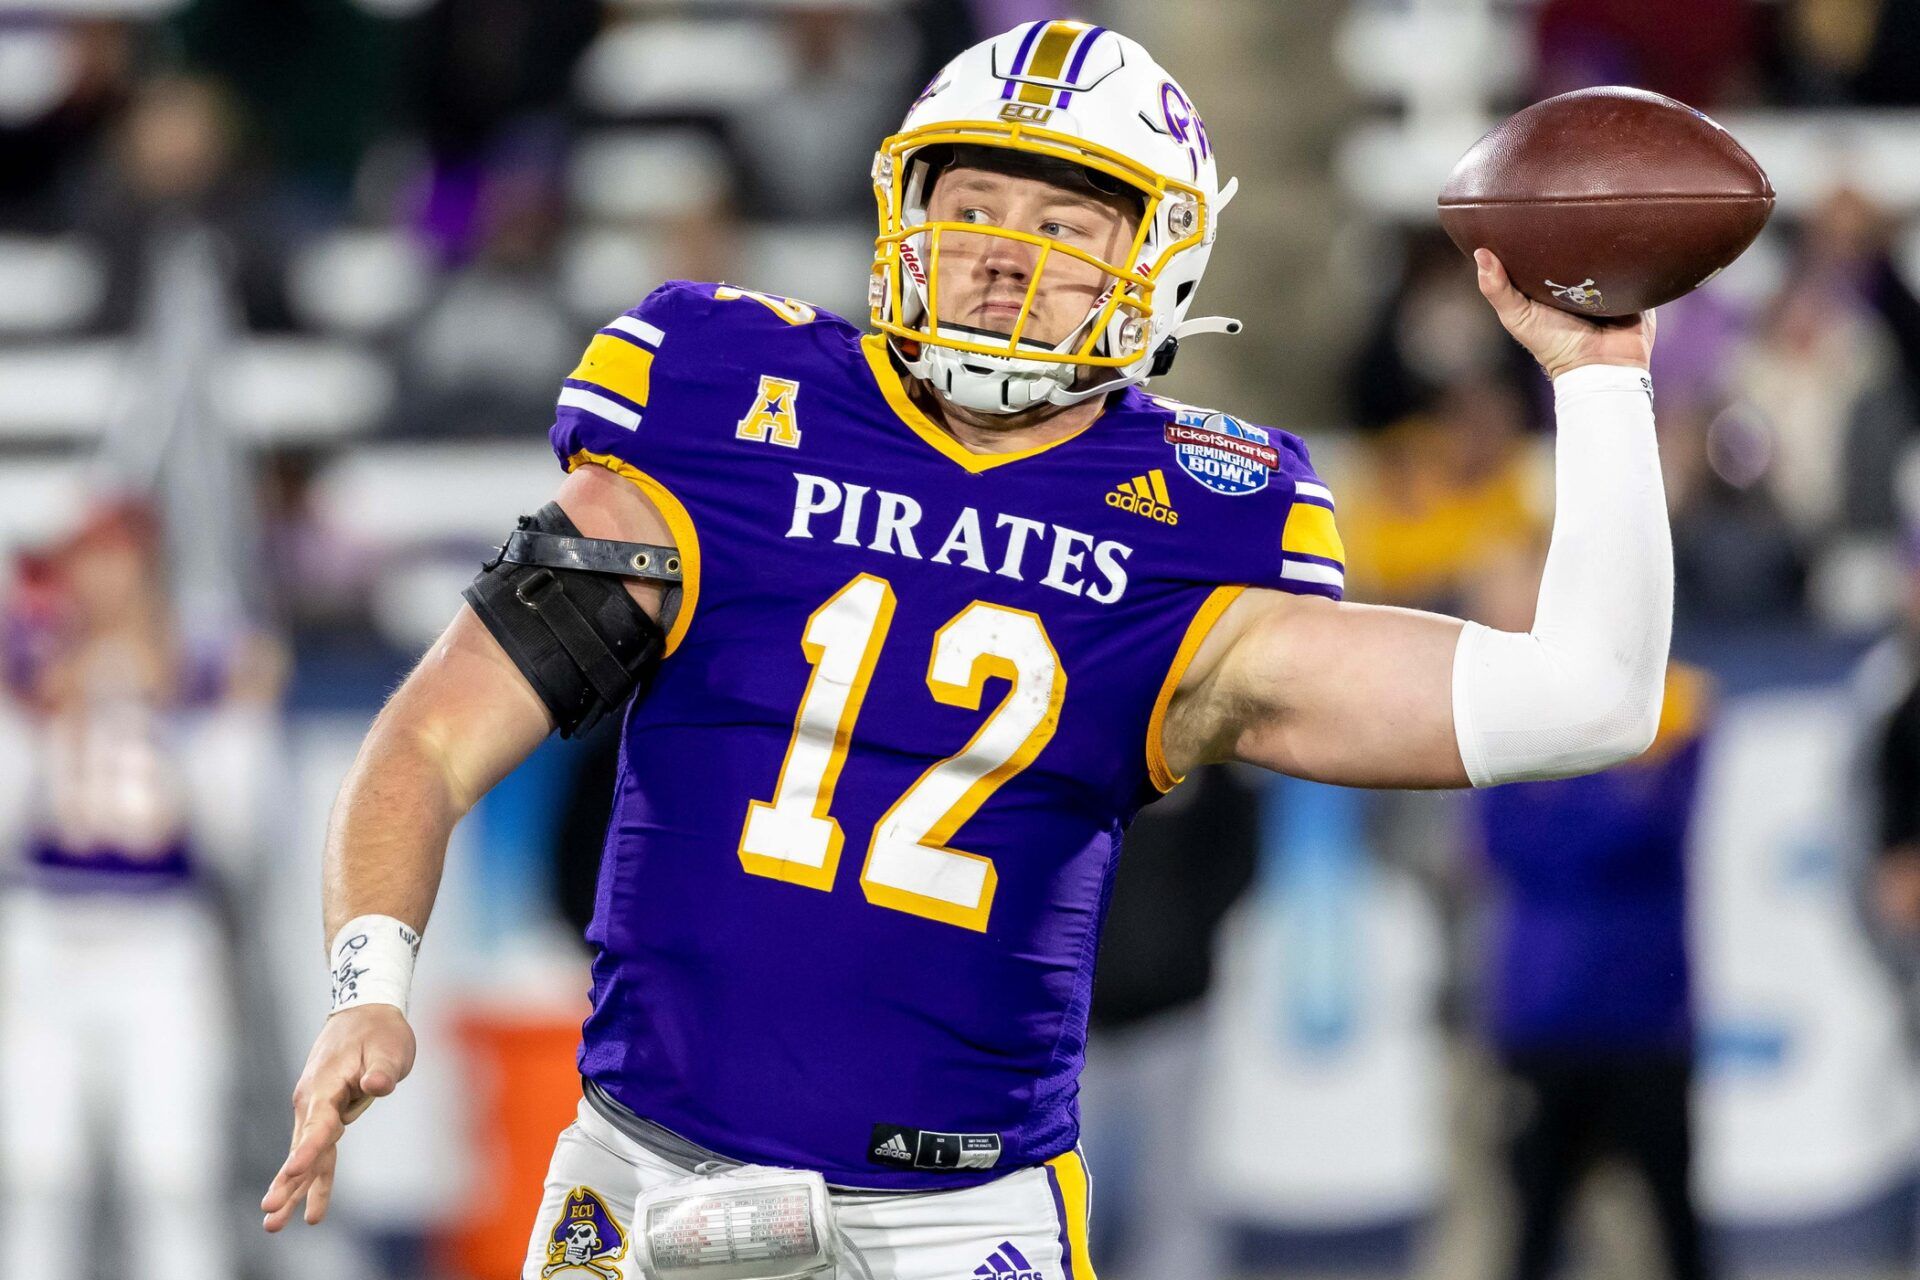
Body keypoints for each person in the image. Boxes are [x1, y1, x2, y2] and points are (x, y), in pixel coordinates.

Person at [262, 22, 1674, 1278]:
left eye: (1067, 219)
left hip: (961, 1223)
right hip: (648, 1184)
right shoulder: (725, 408)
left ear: (1162, 260)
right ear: (906, 215)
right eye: (975, 204)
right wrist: (367, 989)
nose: (1008, 250)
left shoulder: (1198, 523)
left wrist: (1600, 384)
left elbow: (1592, 701)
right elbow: (430, 736)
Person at [0, 502, 277, 1280]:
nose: (103, 580)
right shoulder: (28, 661)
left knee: (173, 1174)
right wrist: (36, 715)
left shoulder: (201, 662)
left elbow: (239, 832)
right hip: (48, 933)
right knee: (38, 1174)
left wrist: (227, 715)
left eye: (117, 560)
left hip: (161, 939)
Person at [1466, 544, 1714, 1280]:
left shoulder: (1676, 698)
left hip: (1643, 1016)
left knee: (1677, 1231)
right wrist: (1597, 792)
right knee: (1531, 1232)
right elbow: (1507, 846)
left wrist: (1556, 790)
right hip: (1542, 1018)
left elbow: (1641, 832)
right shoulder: (1500, 713)